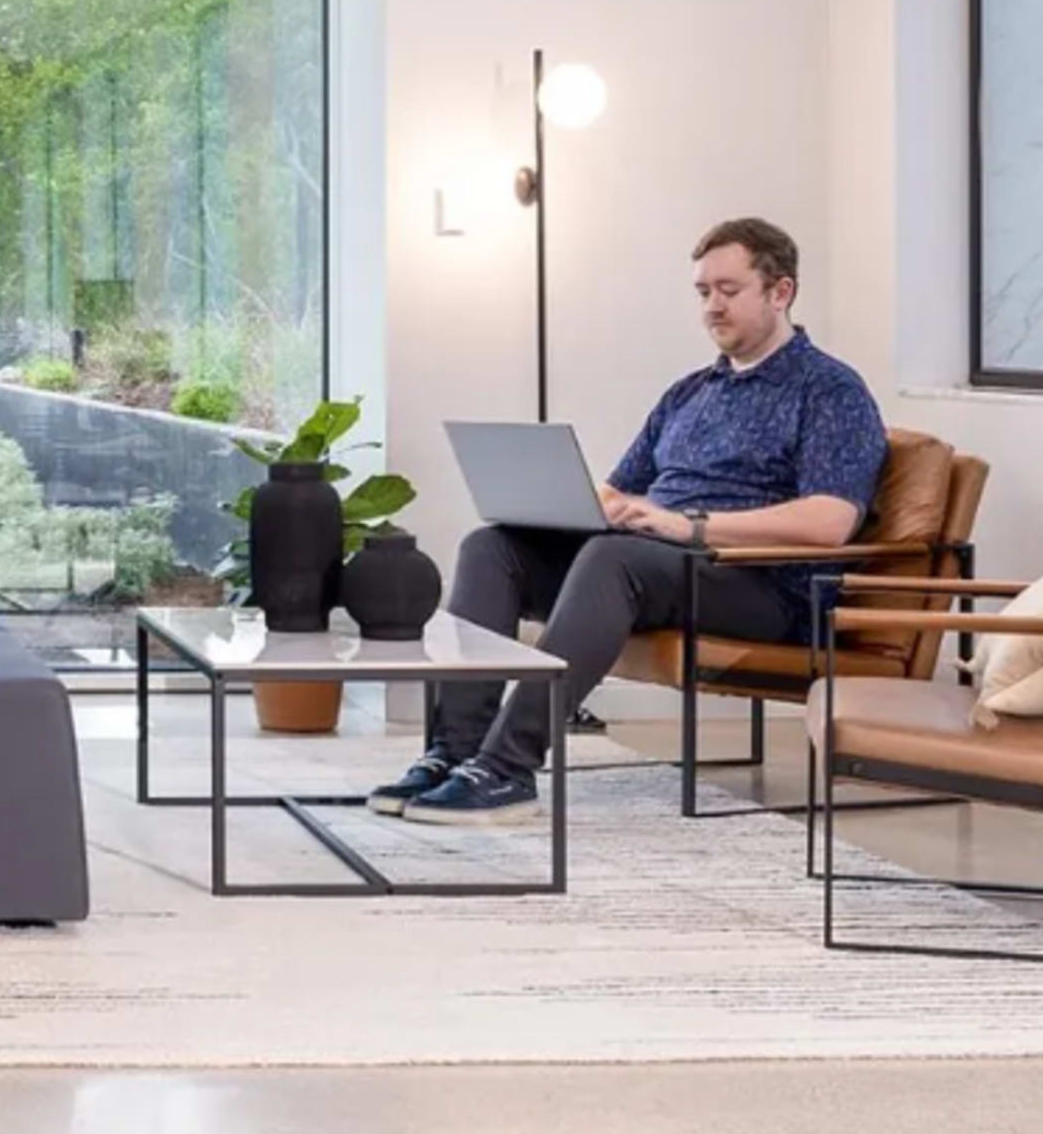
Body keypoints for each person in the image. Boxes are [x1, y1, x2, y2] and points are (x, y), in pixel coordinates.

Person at [376, 217, 885, 828]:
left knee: (614, 559)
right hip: (660, 563)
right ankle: (454, 753)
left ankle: (506, 769)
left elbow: (830, 523)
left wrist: (689, 527)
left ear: (781, 292)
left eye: (728, 290)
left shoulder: (830, 389)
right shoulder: (691, 392)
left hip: (760, 584)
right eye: (702, 292)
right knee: (493, 546)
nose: (712, 307)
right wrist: (577, 508)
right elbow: (618, 488)